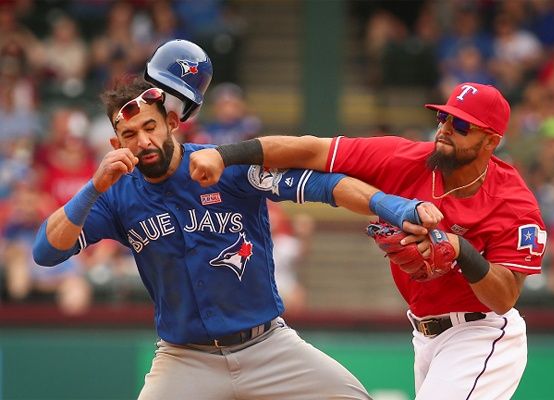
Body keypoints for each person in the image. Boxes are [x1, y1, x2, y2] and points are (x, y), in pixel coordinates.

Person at [32, 39, 444, 400]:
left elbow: (326, 186)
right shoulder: (115, 195)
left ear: (173, 123)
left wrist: (398, 208)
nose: (143, 141)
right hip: (184, 358)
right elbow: (46, 252)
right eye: (129, 135)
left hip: (267, 346)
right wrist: (93, 186)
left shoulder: (221, 166)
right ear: (115, 143)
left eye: (150, 127)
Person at [189, 82, 547, 399]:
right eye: (443, 118)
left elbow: (504, 298)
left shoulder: (513, 203)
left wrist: (460, 250)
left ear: (491, 141)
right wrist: (224, 154)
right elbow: (311, 150)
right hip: (425, 335)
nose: (446, 129)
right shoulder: (406, 159)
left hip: (482, 333)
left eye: (462, 125)